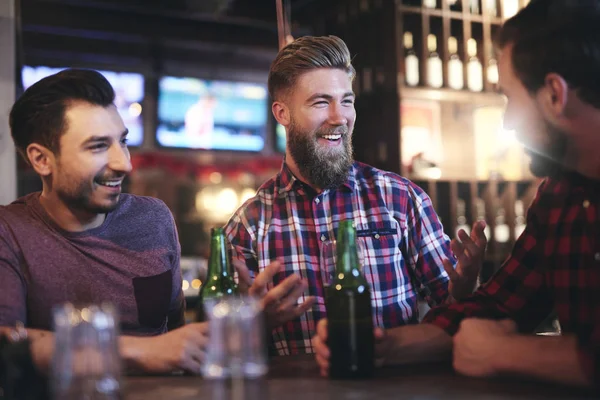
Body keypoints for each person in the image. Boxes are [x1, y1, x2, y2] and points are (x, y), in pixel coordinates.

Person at [313, 0, 599, 389]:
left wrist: (504, 352)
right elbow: (499, 304)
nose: (507, 121)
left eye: (510, 98)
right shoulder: (559, 196)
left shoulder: (403, 197)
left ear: (554, 94)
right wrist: (384, 345)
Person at [225, 35, 487, 356]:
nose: (339, 117)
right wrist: (253, 323)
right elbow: (221, 345)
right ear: (283, 114)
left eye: (346, 101)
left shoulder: (401, 198)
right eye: (321, 102)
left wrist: (465, 289)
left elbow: (454, 310)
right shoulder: (249, 224)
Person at [0, 69, 208, 374]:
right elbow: (5, 344)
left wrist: (254, 314)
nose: (124, 163)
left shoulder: (153, 217)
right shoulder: (10, 231)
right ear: (41, 160)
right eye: (98, 146)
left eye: (121, 142)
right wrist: (137, 350)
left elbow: (176, 335)